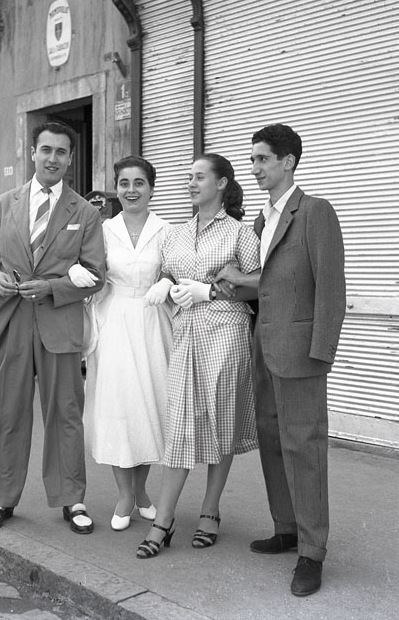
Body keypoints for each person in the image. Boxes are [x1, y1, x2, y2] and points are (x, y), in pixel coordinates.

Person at [0, 121, 106, 535]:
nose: (52, 158)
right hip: (10, 321)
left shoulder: (85, 212)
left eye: (61, 152)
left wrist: (51, 287)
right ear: (32, 153)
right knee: (6, 411)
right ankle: (0, 499)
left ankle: (72, 499)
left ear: (70, 158)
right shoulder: (3, 204)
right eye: (46, 150)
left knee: (65, 412)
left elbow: (96, 275)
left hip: (59, 323)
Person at [237, 123, 345, 597]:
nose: (255, 168)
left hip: (301, 352)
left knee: (305, 447)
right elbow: (265, 284)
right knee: (271, 437)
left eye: (262, 159)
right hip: (264, 344)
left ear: (288, 162)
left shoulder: (315, 212)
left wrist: (321, 352)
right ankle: (286, 527)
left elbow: (331, 287)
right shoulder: (262, 220)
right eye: (253, 159)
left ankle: (312, 551)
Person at [135, 153, 260, 559]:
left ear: (221, 183)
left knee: (221, 421)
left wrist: (209, 291)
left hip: (226, 333)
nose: (191, 183)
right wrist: (166, 281)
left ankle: (210, 510)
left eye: (199, 176)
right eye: (189, 176)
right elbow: (170, 270)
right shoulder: (175, 234)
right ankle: (164, 518)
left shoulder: (240, 234)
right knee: (181, 426)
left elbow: (259, 283)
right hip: (186, 333)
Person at [76, 156, 172, 531]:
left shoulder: (167, 231)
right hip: (114, 322)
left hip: (153, 322)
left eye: (139, 183)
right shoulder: (103, 230)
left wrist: (167, 281)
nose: (131, 190)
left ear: (151, 188)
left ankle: (142, 491)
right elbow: (91, 270)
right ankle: (125, 494)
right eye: (124, 183)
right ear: (116, 189)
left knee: (148, 405)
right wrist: (78, 274)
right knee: (117, 408)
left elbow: (175, 269)